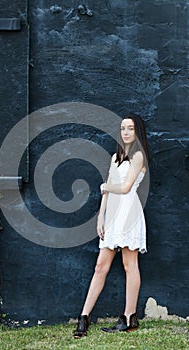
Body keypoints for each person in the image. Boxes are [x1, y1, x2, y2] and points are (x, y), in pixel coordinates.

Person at [73, 113, 150, 338]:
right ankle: (84, 317)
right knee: (100, 266)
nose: (125, 132)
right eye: (123, 128)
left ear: (138, 132)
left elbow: (125, 187)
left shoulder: (138, 156)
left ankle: (129, 316)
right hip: (113, 213)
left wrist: (105, 187)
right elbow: (108, 188)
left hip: (129, 212)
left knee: (129, 264)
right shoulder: (115, 157)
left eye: (130, 128)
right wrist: (101, 216)